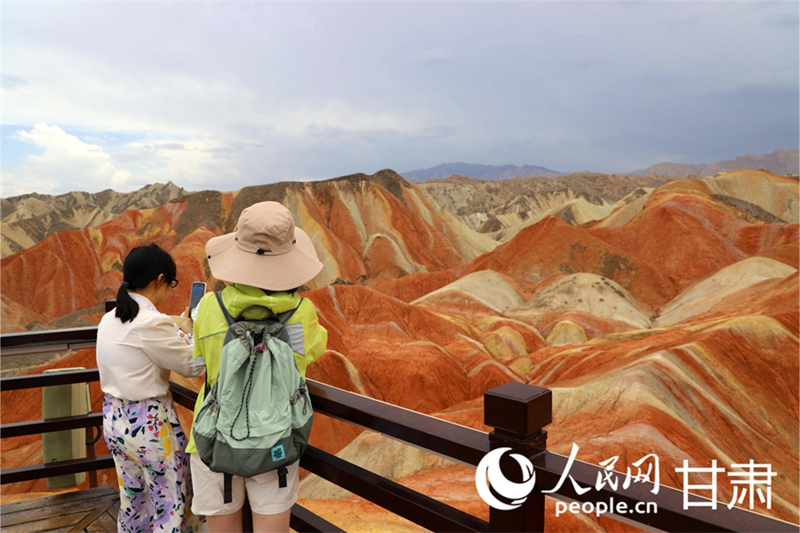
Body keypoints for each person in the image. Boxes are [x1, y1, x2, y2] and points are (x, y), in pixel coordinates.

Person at [187, 201, 328, 533]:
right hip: (276, 442)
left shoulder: (209, 307)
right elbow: (314, 350)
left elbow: (200, 358)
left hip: (214, 441)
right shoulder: (302, 313)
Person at [96, 243, 206, 533]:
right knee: (170, 504)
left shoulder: (109, 318)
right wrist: (197, 334)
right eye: (171, 284)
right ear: (160, 280)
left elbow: (145, 333)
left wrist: (177, 326)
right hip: (148, 427)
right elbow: (193, 365)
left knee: (134, 501)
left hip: (115, 421)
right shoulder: (152, 324)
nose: (170, 290)